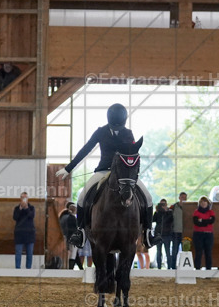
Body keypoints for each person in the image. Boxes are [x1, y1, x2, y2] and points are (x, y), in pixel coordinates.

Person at [56, 103, 159, 250]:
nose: (116, 129)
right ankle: (81, 233)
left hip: (123, 175)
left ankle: (148, 233)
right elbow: (86, 149)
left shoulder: (128, 133)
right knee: (82, 196)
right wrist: (68, 168)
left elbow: (132, 153)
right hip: (103, 171)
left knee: (148, 198)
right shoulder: (101, 132)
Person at [13, 192, 35, 269]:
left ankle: (28, 270)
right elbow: (15, 217)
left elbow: (31, 216)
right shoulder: (16, 208)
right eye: (22, 197)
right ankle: (17, 269)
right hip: (19, 234)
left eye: (25, 198)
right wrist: (20, 209)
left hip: (30, 234)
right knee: (18, 252)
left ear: (28, 199)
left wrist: (26, 208)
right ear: (20, 199)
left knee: (30, 253)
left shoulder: (31, 208)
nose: (24, 199)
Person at [192, 196, 215, 270]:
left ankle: (208, 269)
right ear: (199, 203)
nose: (203, 203)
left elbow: (212, 221)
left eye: (205, 202)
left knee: (208, 252)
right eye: (202, 202)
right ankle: (197, 269)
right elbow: (196, 222)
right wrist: (206, 221)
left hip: (208, 234)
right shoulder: (196, 212)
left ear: (207, 203)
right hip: (198, 234)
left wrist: (202, 221)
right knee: (198, 252)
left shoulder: (211, 212)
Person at [59, 202, 81, 270]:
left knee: (75, 255)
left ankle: (80, 268)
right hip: (72, 238)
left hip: (65, 236)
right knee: (73, 255)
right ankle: (70, 269)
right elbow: (73, 230)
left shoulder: (63, 216)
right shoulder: (72, 218)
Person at [169, 192, 187, 269]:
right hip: (175, 232)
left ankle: (184, 266)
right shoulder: (173, 207)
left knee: (185, 252)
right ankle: (173, 267)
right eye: (182, 197)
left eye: (185, 197)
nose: (183, 199)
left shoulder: (189, 207)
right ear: (179, 197)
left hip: (185, 233)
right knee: (174, 251)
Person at [153, 199, 171, 269]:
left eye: (164, 204)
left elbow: (170, 220)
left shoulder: (169, 212)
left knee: (168, 251)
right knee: (158, 251)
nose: (162, 206)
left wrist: (166, 211)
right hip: (158, 234)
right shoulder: (157, 213)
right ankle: (159, 267)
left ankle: (169, 267)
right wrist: (157, 211)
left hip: (167, 234)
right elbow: (153, 220)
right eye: (161, 205)